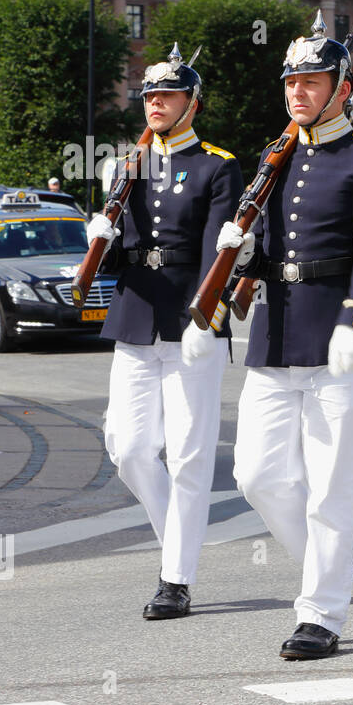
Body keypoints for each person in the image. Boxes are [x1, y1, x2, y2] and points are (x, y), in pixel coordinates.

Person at [226, 12, 353, 659]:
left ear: (342, 87)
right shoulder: (274, 161)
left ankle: (321, 613)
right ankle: (330, 557)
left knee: (330, 486)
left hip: (339, 334)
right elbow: (263, 247)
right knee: (256, 475)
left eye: (312, 80)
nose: (298, 91)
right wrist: (238, 253)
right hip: (277, 334)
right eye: (291, 81)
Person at [87, 43, 241, 620]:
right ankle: (176, 535)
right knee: (127, 448)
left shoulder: (217, 166)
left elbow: (216, 251)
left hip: (187, 319)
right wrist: (100, 233)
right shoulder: (127, 166)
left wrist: (208, 316)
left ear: (191, 104)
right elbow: (118, 252)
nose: (154, 103)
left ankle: (175, 576)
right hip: (135, 313)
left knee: (189, 454)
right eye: (149, 95)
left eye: (166, 95)